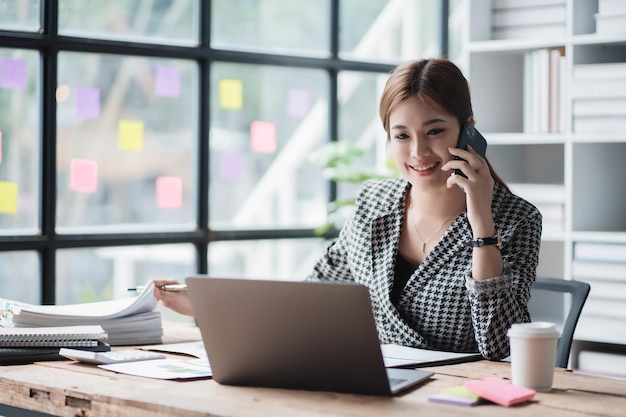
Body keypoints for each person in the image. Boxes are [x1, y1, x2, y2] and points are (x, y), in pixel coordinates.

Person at [154, 58, 542, 361]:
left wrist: (481, 225)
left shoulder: (516, 220)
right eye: (401, 136)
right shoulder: (373, 204)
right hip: (375, 388)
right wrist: (208, 305)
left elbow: (500, 345)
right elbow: (313, 298)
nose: (418, 152)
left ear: (468, 129)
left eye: (435, 131)